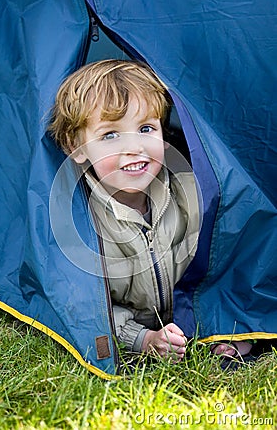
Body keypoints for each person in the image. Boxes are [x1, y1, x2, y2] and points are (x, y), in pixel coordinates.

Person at [49, 59, 252, 361]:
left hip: (188, 311)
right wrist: (142, 339)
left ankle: (226, 334)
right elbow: (80, 301)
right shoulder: (80, 220)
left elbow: (226, 257)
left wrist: (216, 316)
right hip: (137, 323)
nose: (134, 147)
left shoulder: (189, 192)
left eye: (145, 128)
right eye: (110, 135)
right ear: (76, 147)